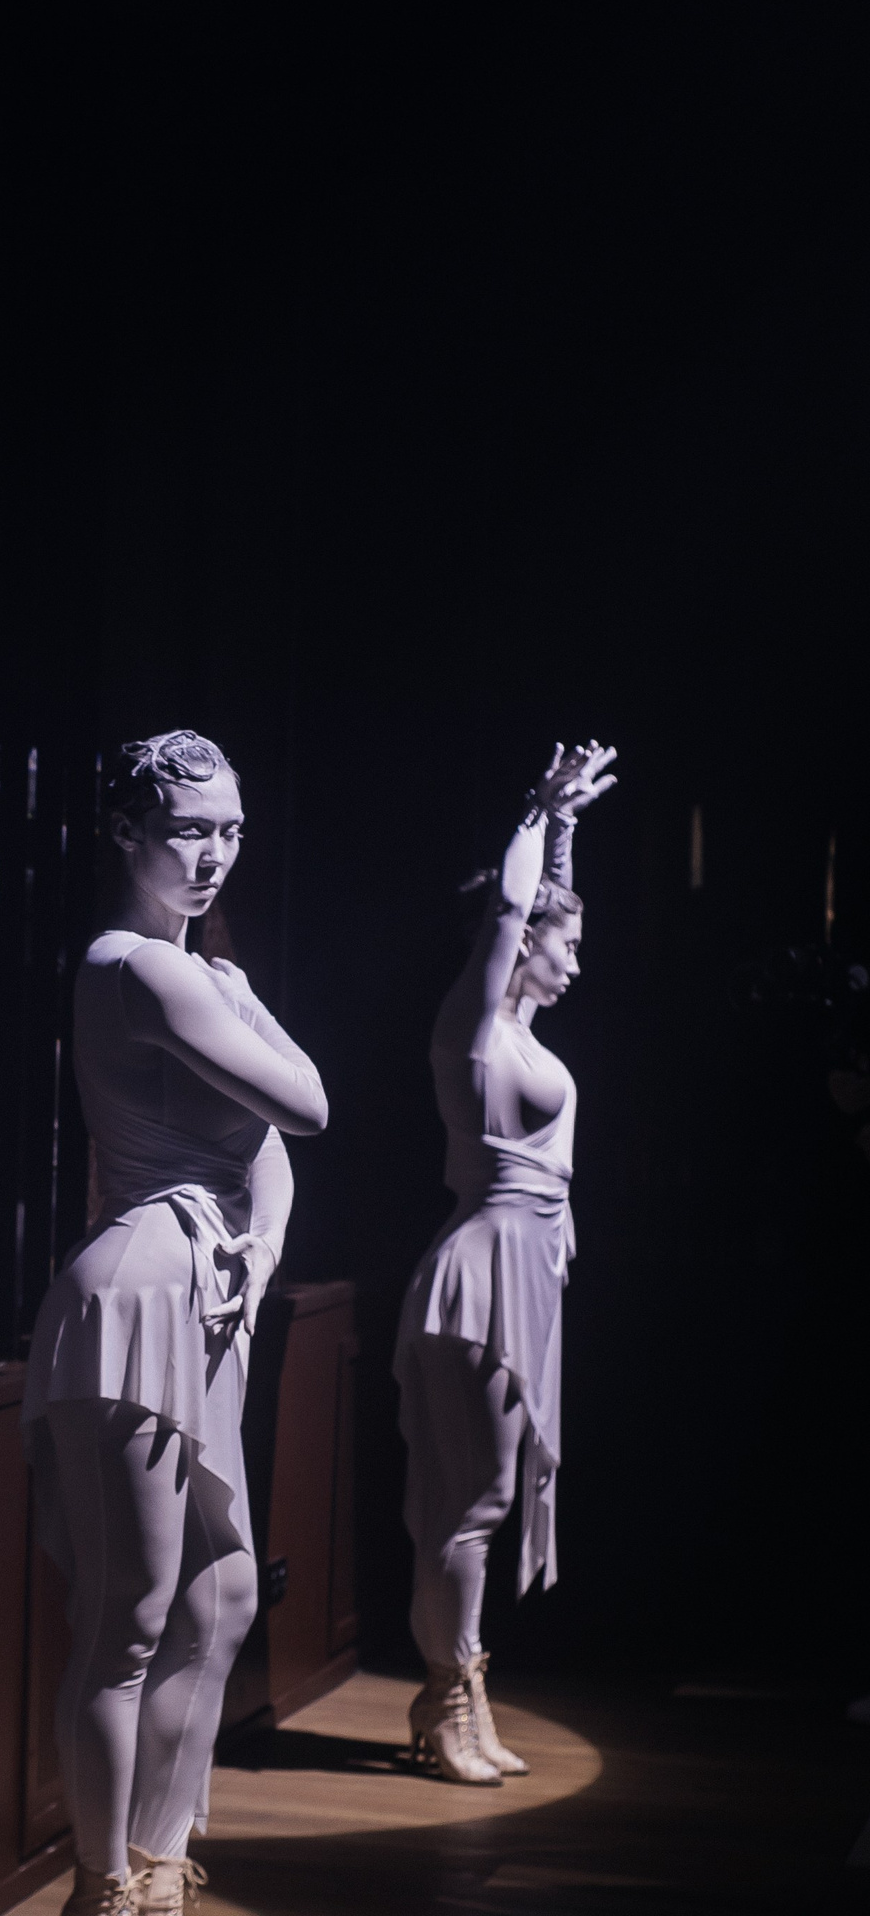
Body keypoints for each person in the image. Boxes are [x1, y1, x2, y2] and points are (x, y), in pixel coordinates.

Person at [23, 733, 328, 1916]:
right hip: (138, 1293)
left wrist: (264, 1249)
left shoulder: (207, 975)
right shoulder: (138, 968)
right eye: (189, 828)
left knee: (225, 1597)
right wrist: (242, 1006)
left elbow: (273, 1156)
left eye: (231, 830)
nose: (213, 854)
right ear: (126, 832)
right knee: (131, 1618)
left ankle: (156, 1885)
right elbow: (307, 1103)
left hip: (203, 1297)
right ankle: (96, 1907)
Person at [394, 738, 617, 1784]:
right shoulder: (472, 1034)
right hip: (480, 1277)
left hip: (527, 1274)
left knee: (478, 1501)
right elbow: (513, 910)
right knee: (471, 1503)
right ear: (522, 941)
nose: (576, 964)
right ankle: (448, 1702)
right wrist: (536, 809)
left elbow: (541, 902)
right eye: (564, 945)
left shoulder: (520, 1038)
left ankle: (461, 1694)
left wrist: (564, 827)